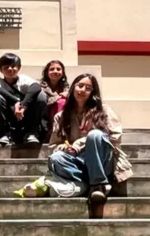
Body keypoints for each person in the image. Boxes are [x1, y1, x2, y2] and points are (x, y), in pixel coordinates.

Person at [47, 73, 132, 203]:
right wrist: (63, 147)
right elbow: (53, 145)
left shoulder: (103, 110)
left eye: (88, 88)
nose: (82, 90)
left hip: (103, 161)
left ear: (93, 93)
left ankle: (98, 185)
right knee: (56, 158)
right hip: (78, 162)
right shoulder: (61, 116)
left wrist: (80, 144)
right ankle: (91, 183)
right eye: (80, 86)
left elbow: (115, 137)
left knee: (95, 135)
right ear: (73, 88)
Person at [0, 53, 47, 146]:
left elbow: (36, 87)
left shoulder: (23, 79)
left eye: (13, 66)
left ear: (19, 68)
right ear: (1, 69)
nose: (10, 69)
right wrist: (16, 101)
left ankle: (32, 132)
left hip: (27, 115)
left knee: (41, 96)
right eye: (6, 66)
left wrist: (23, 105)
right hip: (10, 115)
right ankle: (5, 133)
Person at [40, 60, 70, 137]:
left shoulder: (66, 87)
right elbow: (44, 102)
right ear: (47, 72)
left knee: (62, 102)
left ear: (63, 73)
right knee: (61, 101)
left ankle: (59, 132)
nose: (55, 71)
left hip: (60, 116)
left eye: (58, 69)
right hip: (43, 115)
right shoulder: (39, 86)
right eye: (52, 69)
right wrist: (59, 97)